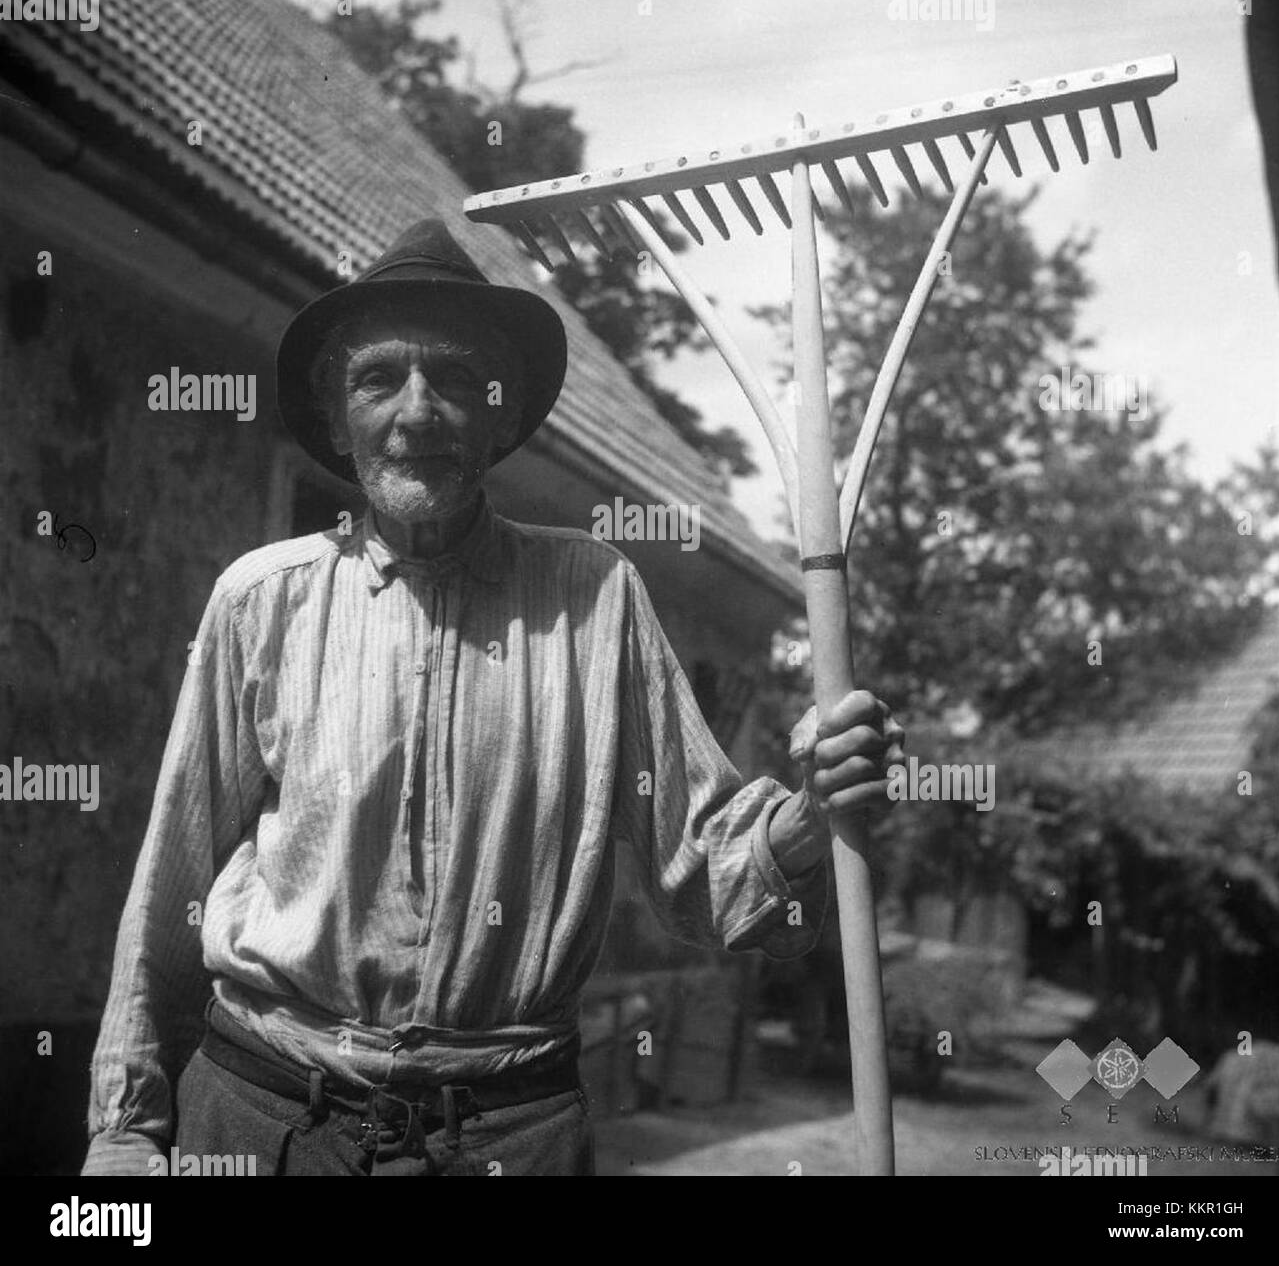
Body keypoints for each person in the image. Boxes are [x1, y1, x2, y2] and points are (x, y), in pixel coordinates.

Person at [82, 218, 905, 1177]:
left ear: (500, 411)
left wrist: (813, 812)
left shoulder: (595, 598)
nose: (418, 411)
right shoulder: (261, 600)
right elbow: (173, 882)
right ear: (337, 414)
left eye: (457, 379)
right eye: (378, 378)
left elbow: (706, 868)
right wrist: (127, 1126)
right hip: (264, 1118)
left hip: (504, 1137)